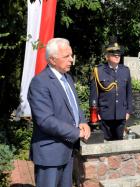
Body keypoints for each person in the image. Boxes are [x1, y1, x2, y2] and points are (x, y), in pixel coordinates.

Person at [27, 38, 91, 187]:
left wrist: (82, 121)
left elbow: (74, 106)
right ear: (52, 60)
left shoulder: (67, 78)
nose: (71, 60)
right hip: (50, 154)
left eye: (71, 55)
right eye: (66, 56)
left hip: (67, 151)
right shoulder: (40, 82)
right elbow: (45, 120)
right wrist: (76, 132)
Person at [89, 37, 133, 141]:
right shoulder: (98, 71)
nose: (117, 55)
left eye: (118, 53)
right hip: (104, 115)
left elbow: (129, 93)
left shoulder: (125, 71)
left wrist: (128, 111)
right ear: (107, 56)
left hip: (121, 115)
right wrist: (95, 114)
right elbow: (94, 95)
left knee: (119, 142)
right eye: (113, 53)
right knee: (105, 143)